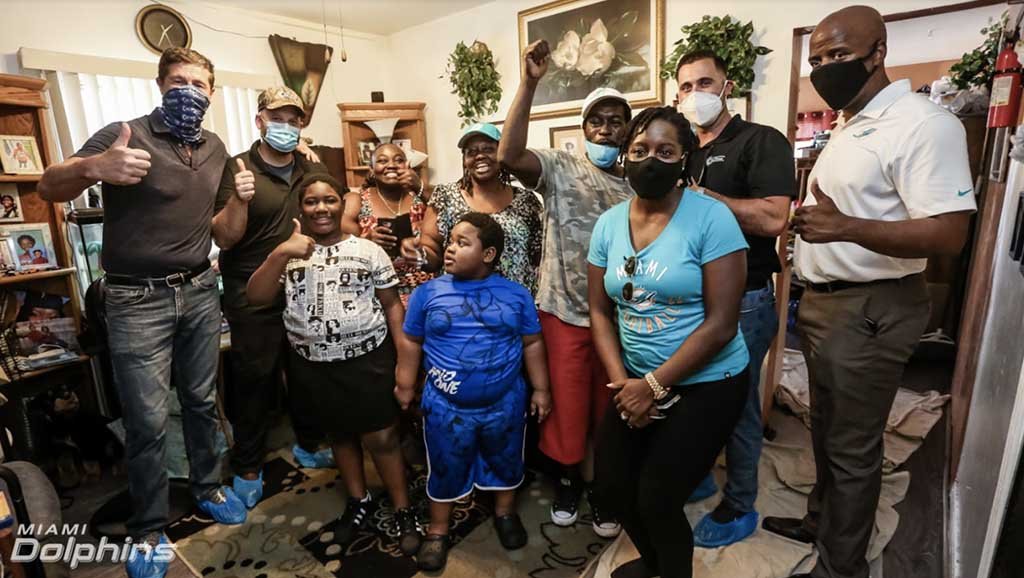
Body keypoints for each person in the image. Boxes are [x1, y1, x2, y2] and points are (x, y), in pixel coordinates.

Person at [763, 7, 978, 578]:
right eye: (817, 60)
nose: (826, 68)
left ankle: (841, 566)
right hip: (829, 304)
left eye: (838, 54)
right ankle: (819, 522)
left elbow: (950, 232)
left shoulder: (923, 123)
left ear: (878, 52)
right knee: (827, 428)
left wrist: (845, 229)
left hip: (870, 307)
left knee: (853, 446)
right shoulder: (851, 122)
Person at [38, 47, 245, 578]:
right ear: (160, 84)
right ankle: (149, 528)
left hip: (200, 290)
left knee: (201, 401)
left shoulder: (218, 148)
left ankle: (208, 486)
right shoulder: (123, 132)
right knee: (148, 420)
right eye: (179, 81)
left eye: (199, 84)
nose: (189, 92)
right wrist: (93, 167)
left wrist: (241, 198)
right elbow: (48, 185)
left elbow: (224, 232)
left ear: (212, 92)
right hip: (134, 299)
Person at [589, 106, 750, 578]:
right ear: (624, 156)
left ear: (685, 159)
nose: (650, 159)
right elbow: (599, 310)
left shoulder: (712, 218)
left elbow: (722, 322)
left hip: (708, 381)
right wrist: (624, 385)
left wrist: (654, 386)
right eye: (639, 150)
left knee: (658, 498)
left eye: (665, 151)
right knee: (614, 488)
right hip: (634, 382)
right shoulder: (608, 224)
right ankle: (656, 563)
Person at [498, 38, 634, 537]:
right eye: (597, 120)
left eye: (616, 120)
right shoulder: (559, 167)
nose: (605, 128)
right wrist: (530, 81)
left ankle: (600, 489)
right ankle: (569, 483)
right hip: (563, 313)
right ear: (584, 128)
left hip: (620, 319)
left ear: (627, 130)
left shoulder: (639, 185)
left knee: (608, 413)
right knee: (567, 411)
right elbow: (508, 153)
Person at [246, 173, 421, 556]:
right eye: (311, 201)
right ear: (300, 208)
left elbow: (393, 307)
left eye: (329, 200)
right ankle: (359, 501)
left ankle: (404, 508)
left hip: (368, 359)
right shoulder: (289, 252)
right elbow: (256, 297)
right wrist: (281, 253)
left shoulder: (367, 250)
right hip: (312, 365)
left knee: (381, 437)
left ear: (343, 204)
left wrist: (406, 369)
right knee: (340, 434)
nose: (321, 208)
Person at [675, 49, 797, 546]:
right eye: (685, 87)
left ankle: (740, 503)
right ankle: (701, 476)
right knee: (693, 400)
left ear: (726, 87)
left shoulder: (760, 141)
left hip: (744, 300)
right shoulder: (684, 148)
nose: (694, 95)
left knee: (737, 406)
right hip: (688, 301)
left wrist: (711, 202)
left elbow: (773, 219)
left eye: (705, 83)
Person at [396, 212, 552, 571]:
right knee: (446, 464)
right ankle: (438, 530)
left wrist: (541, 389)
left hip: (505, 402)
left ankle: (505, 513)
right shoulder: (427, 293)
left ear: (489, 254)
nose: (449, 249)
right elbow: (411, 340)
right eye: (450, 240)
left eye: (462, 243)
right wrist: (405, 382)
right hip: (447, 405)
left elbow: (532, 343)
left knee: (506, 457)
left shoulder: (515, 295)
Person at [212, 86, 336, 509]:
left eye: (293, 119)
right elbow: (224, 237)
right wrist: (238, 199)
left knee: (305, 371)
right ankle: (247, 465)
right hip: (251, 289)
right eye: (277, 118)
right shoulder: (237, 167)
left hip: (305, 285)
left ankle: (308, 442)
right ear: (260, 121)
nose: (285, 126)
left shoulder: (309, 166)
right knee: (255, 378)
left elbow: (333, 209)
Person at [419, 122, 543, 293]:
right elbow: (431, 248)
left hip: (513, 306)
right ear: (464, 159)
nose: (480, 156)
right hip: (459, 305)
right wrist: (420, 256)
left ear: (502, 153)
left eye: (488, 149)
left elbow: (539, 256)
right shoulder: (445, 196)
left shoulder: (526, 200)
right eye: (472, 152)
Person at [342, 143, 431, 304]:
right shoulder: (357, 200)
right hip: (377, 289)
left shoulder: (420, 196)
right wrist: (366, 241)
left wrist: (420, 187)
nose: (391, 165)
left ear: (408, 166)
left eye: (399, 160)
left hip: (424, 285)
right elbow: (340, 246)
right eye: (382, 161)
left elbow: (448, 215)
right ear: (371, 169)